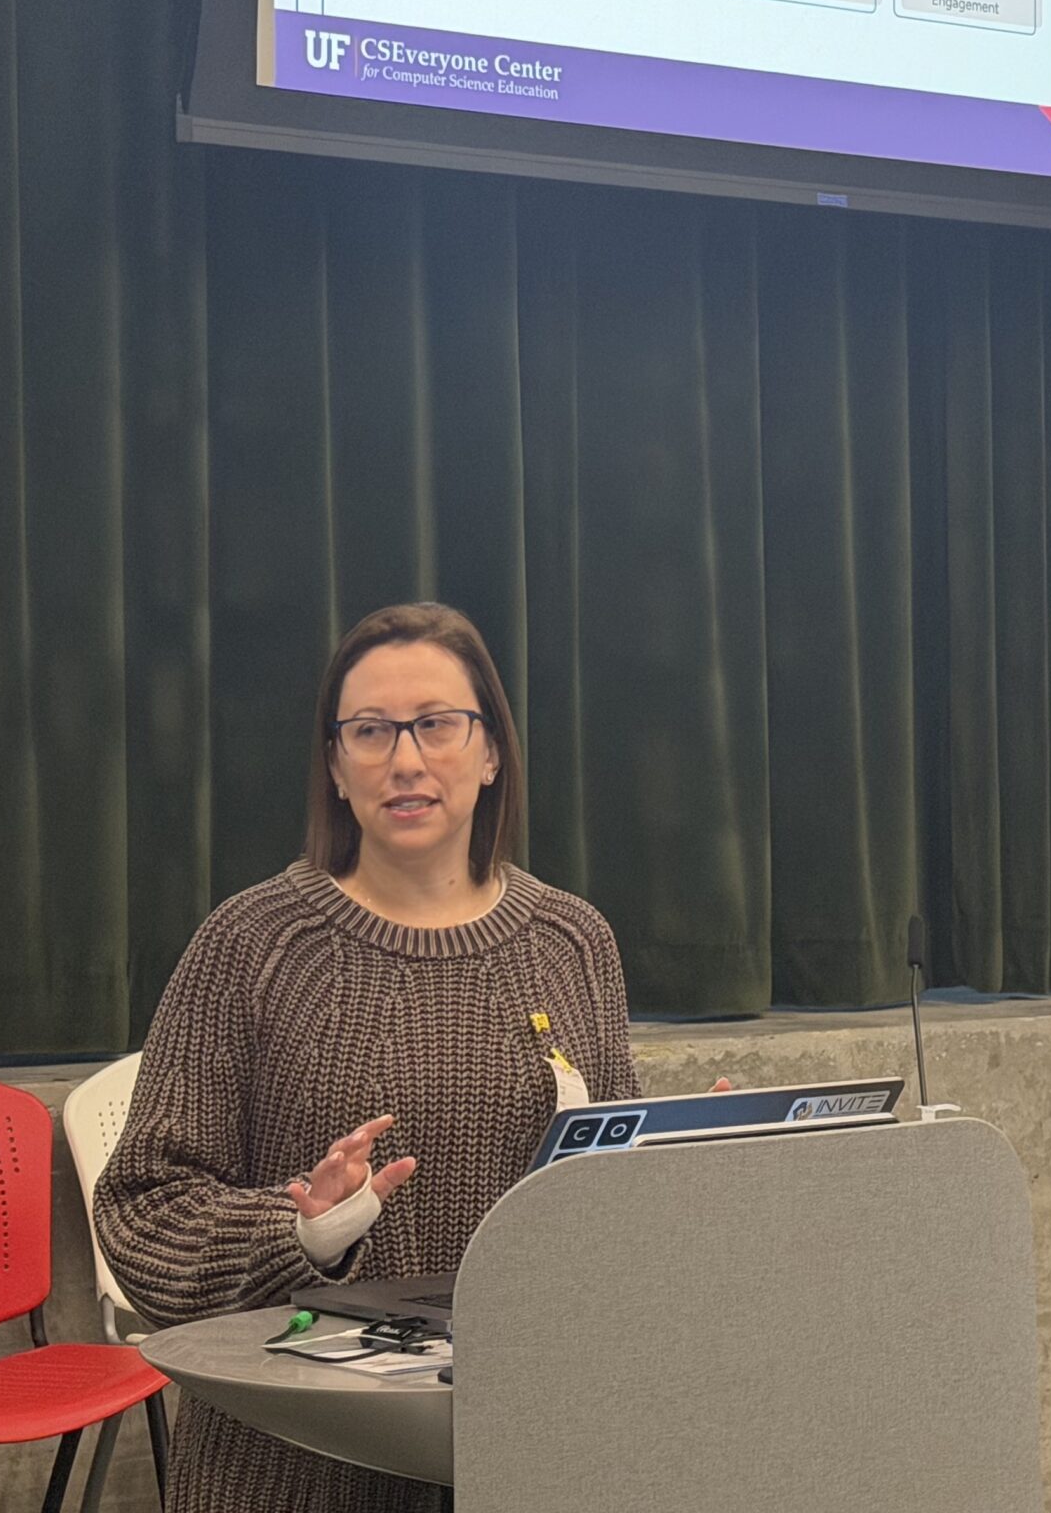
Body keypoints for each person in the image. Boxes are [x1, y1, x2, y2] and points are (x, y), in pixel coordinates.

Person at [95, 601, 642, 1513]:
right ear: (336, 769)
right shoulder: (254, 943)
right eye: (371, 732)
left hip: (527, 1451)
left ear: (492, 751)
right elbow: (142, 1214)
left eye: (436, 724)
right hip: (295, 1466)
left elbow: (606, 1198)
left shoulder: (573, 941)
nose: (405, 759)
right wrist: (300, 1231)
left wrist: (694, 1162)